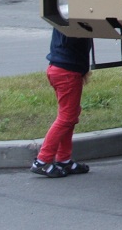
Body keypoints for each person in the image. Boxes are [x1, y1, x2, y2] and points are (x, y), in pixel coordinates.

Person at [30, 27, 93, 178]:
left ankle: (64, 159)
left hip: (59, 69)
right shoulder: (74, 17)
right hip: (67, 72)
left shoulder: (66, 14)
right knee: (67, 118)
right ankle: (42, 161)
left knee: (69, 116)